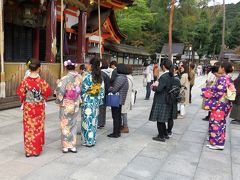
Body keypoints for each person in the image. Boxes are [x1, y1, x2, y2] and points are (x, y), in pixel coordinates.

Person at [17, 59, 52, 157]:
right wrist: (41, 97)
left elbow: (20, 92)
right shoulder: (41, 81)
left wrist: (26, 98)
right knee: (37, 128)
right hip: (38, 107)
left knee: (28, 128)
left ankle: (28, 151)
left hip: (28, 107)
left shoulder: (25, 81)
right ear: (39, 68)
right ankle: (36, 150)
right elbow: (48, 92)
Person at [202, 62, 235, 150]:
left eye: (220, 67)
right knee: (220, 123)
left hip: (220, 105)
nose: (219, 68)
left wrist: (206, 92)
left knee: (216, 123)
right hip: (225, 104)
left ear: (223, 68)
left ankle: (217, 143)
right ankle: (216, 140)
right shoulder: (229, 78)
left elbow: (218, 92)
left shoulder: (222, 79)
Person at [55, 59, 82, 153]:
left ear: (66, 67)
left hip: (66, 104)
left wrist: (58, 101)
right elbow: (79, 91)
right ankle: (72, 145)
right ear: (74, 67)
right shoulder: (79, 77)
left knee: (65, 124)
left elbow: (60, 91)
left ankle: (66, 146)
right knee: (74, 123)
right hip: (75, 103)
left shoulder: (64, 79)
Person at [149, 60, 180, 142]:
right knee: (163, 119)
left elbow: (159, 89)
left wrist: (153, 87)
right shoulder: (172, 75)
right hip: (168, 99)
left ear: (163, 66)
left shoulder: (164, 76)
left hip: (161, 99)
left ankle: (161, 136)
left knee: (160, 119)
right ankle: (165, 134)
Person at [81, 57, 104, 147]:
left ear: (91, 65)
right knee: (93, 121)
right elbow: (102, 91)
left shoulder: (87, 76)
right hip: (95, 101)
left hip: (87, 101)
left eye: (87, 64)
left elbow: (83, 90)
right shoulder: (99, 76)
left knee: (87, 121)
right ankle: (92, 139)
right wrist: (98, 99)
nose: (85, 65)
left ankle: (87, 140)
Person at [108, 64, 129, 138]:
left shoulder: (120, 78)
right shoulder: (124, 77)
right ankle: (117, 132)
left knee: (116, 117)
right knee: (118, 116)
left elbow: (114, 90)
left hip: (117, 99)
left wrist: (109, 88)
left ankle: (116, 133)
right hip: (120, 99)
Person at [98, 60, 111, 128]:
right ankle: (102, 123)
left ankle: (99, 123)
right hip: (105, 93)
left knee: (100, 109)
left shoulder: (101, 74)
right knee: (103, 109)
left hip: (101, 94)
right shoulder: (107, 73)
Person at [121, 65, 134, 133]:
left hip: (125, 97)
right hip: (128, 96)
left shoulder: (126, 78)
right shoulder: (131, 77)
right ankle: (123, 126)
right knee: (124, 112)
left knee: (123, 112)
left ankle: (125, 127)